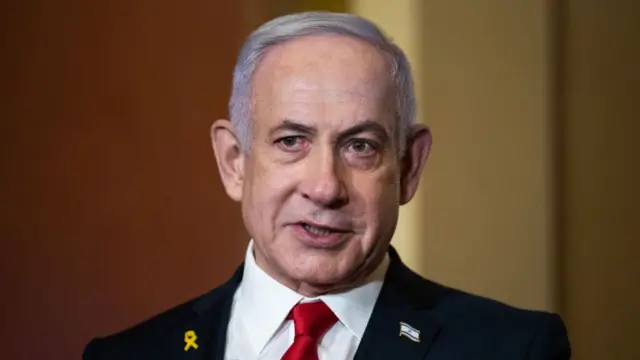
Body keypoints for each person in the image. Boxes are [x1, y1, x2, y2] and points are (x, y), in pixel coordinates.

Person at [83, 11, 571, 360]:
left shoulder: (513, 348)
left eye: (360, 146)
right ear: (234, 162)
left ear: (408, 166)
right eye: (291, 140)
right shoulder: (130, 354)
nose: (324, 187)